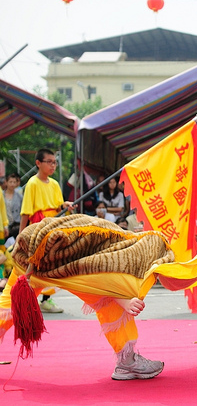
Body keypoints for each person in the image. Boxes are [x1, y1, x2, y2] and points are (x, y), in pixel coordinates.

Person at [0, 215, 166, 380]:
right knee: (110, 303)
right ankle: (127, 362)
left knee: (6, 309)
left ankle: (127, 361)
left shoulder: (119, 241)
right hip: (44, 255)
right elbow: (100, 275)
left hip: (30, 252)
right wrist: (124, 300)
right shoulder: (123, 254)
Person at [19, 149, 74, 314]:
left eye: (54, 162)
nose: (53, 165)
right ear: (38, 163)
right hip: (38, 228)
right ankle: (28, 299)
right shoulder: (32, 183)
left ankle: (45, 300)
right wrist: (21, 235)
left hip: (53, 228)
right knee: (35, 266)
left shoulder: (55, 184)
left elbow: (59, 207)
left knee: (51, 265)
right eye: (49, 162)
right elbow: (26, 211)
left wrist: (66, 206)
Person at [4, 173, 23, 239]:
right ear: (6, 182)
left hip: (16, 226)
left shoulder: (20, 197)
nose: (12, 184)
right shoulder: (2, 195)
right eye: (10, 182)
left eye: (14, 182)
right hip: (5, 224)